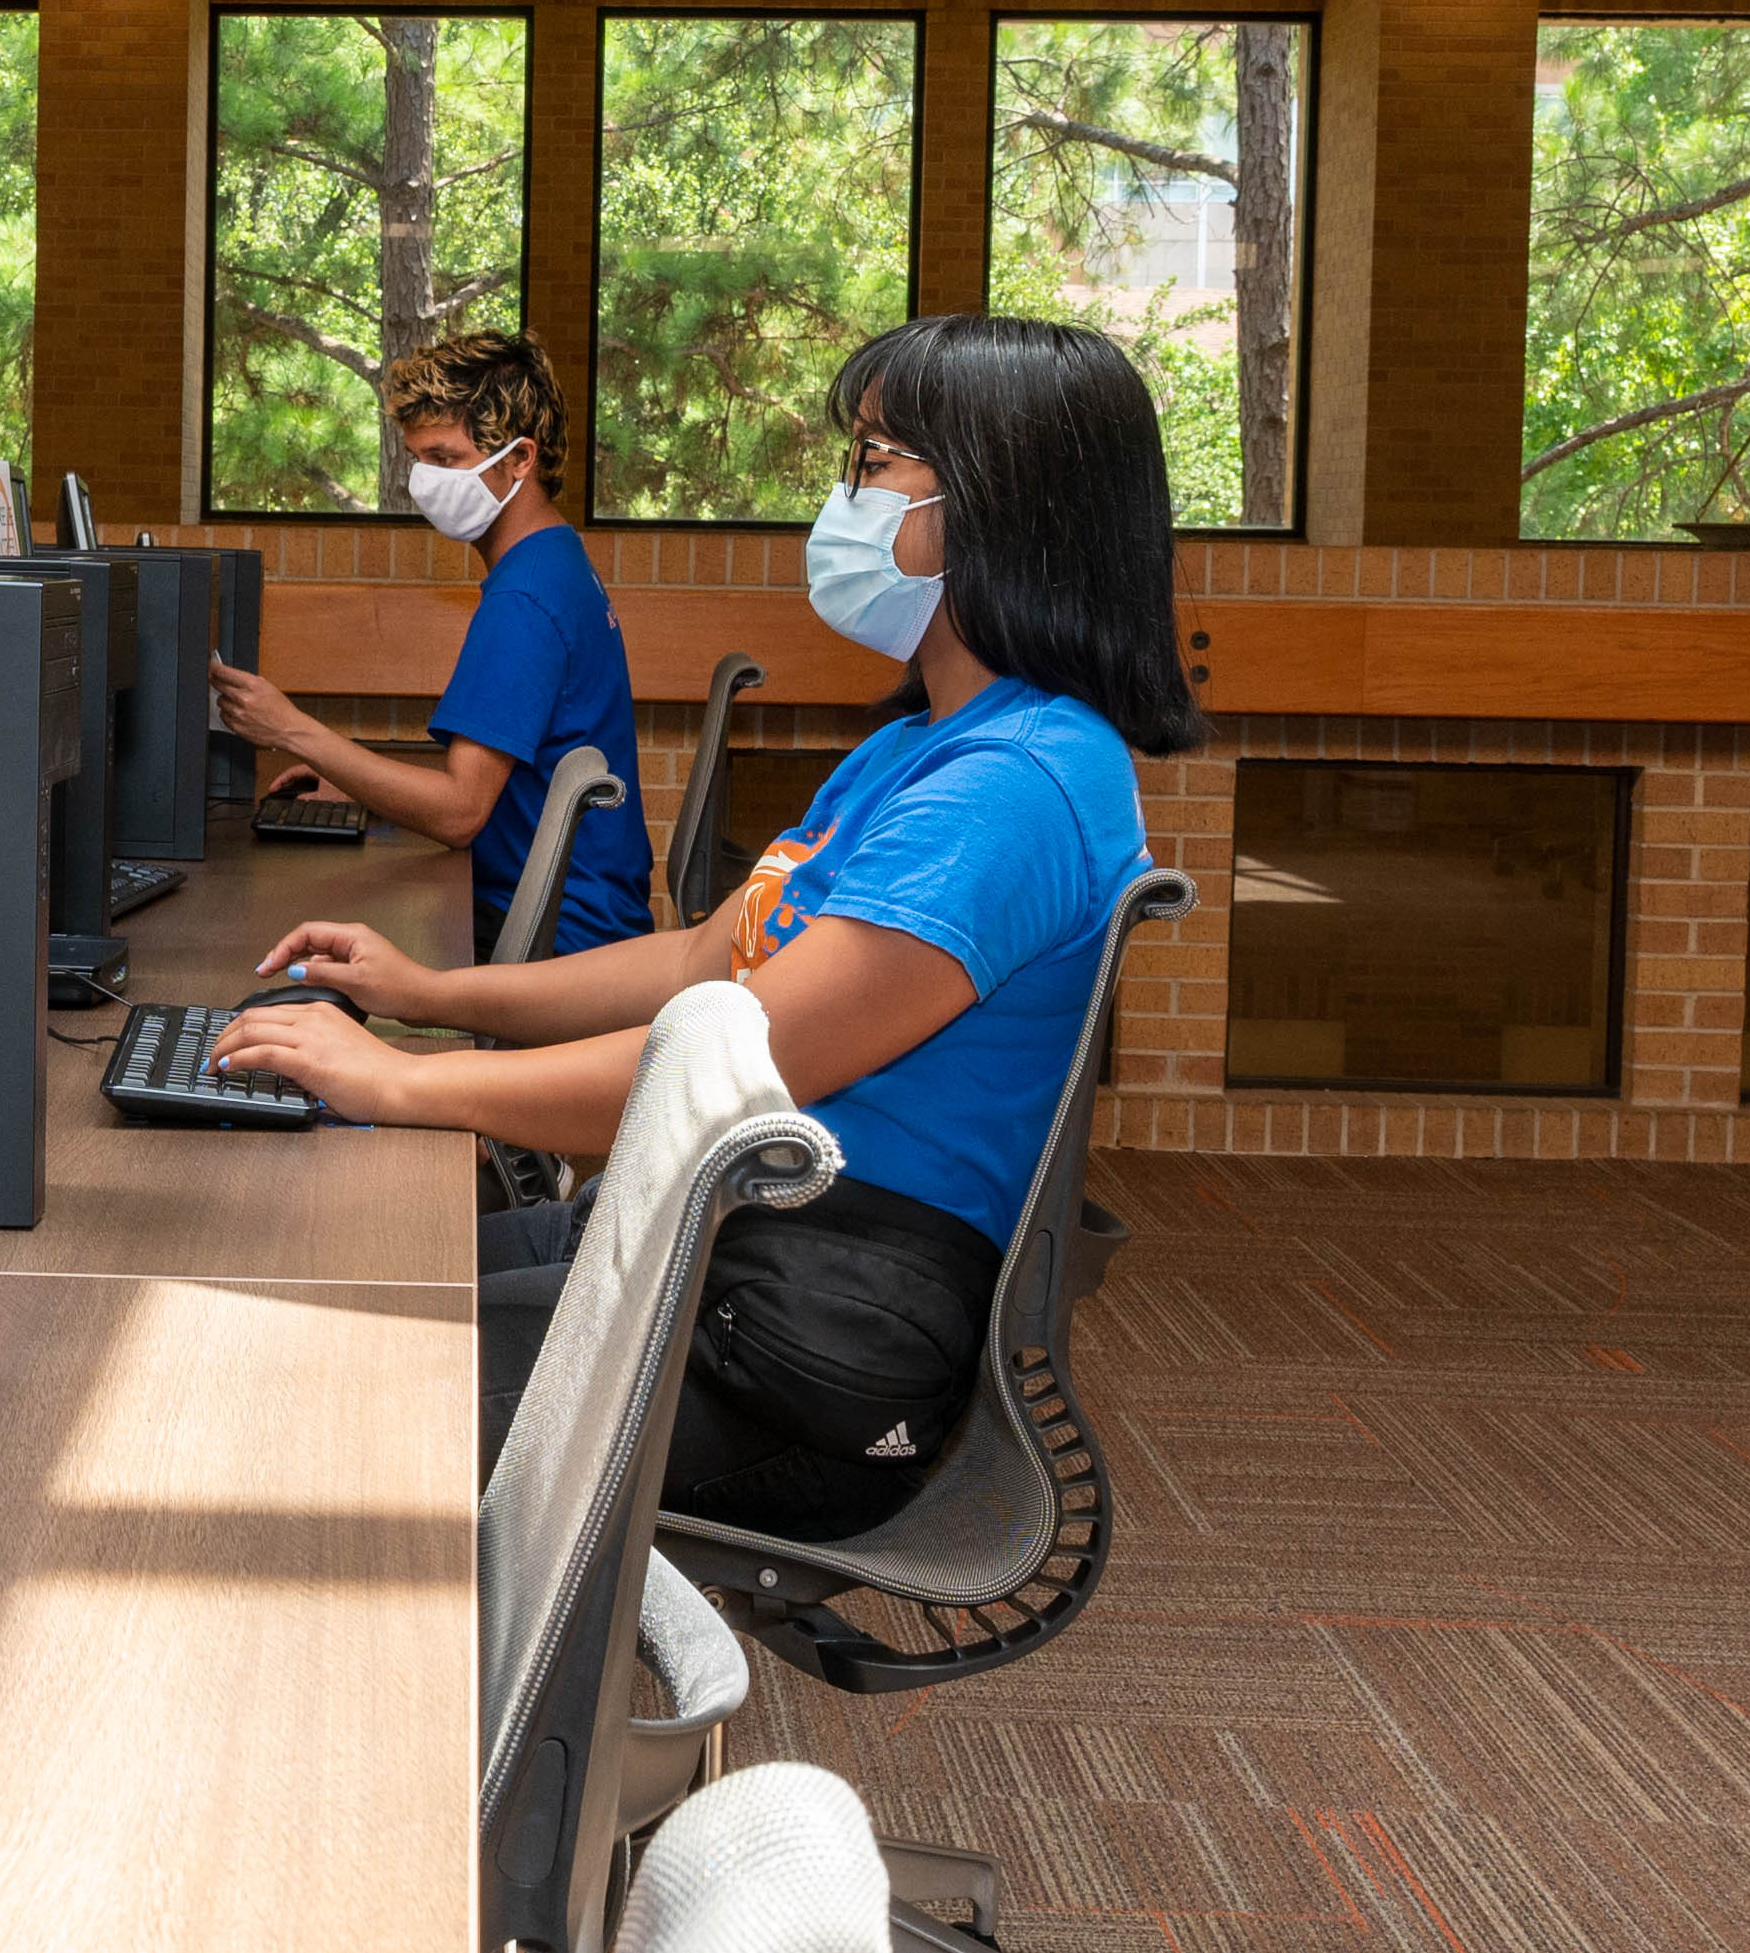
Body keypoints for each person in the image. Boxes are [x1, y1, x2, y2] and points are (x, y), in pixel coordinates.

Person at [216, 313, 1204, 1539]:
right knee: (316, 1289)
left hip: (803, 1338)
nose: (840, 496)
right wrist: (427, 996)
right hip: (728, 1242)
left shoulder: (1018, 784)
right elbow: (699, 963)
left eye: (874, 460)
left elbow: (726, 1082)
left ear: (997, 504)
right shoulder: (917, 748)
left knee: (293, 1399)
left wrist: (401, 1085)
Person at [211, 333, 653, 958]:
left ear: (520, 458)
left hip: (558, 939)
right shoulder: (555, 560)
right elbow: (493, 788)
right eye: (419, 458)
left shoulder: (523, 601)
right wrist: (356, 783)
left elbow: (458, 812)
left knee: (281, 936)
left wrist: (290, 728)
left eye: (446, 458)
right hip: (570, 911)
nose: (426, 480)